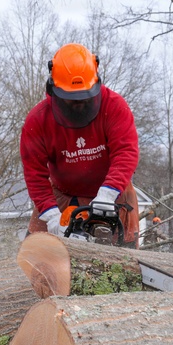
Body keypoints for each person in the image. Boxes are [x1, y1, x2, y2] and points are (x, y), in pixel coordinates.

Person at [20, 42, 140, 247]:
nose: (78, 104)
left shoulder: (114, 107)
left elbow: (126, 153)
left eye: (83, 98)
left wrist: (107, 194)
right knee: (36, 254)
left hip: (114, 190)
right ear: (54, 88)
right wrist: (50, 215)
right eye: (71, 99)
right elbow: (35, 174)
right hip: (62, 193)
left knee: (123, 261)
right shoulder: (38, 120)